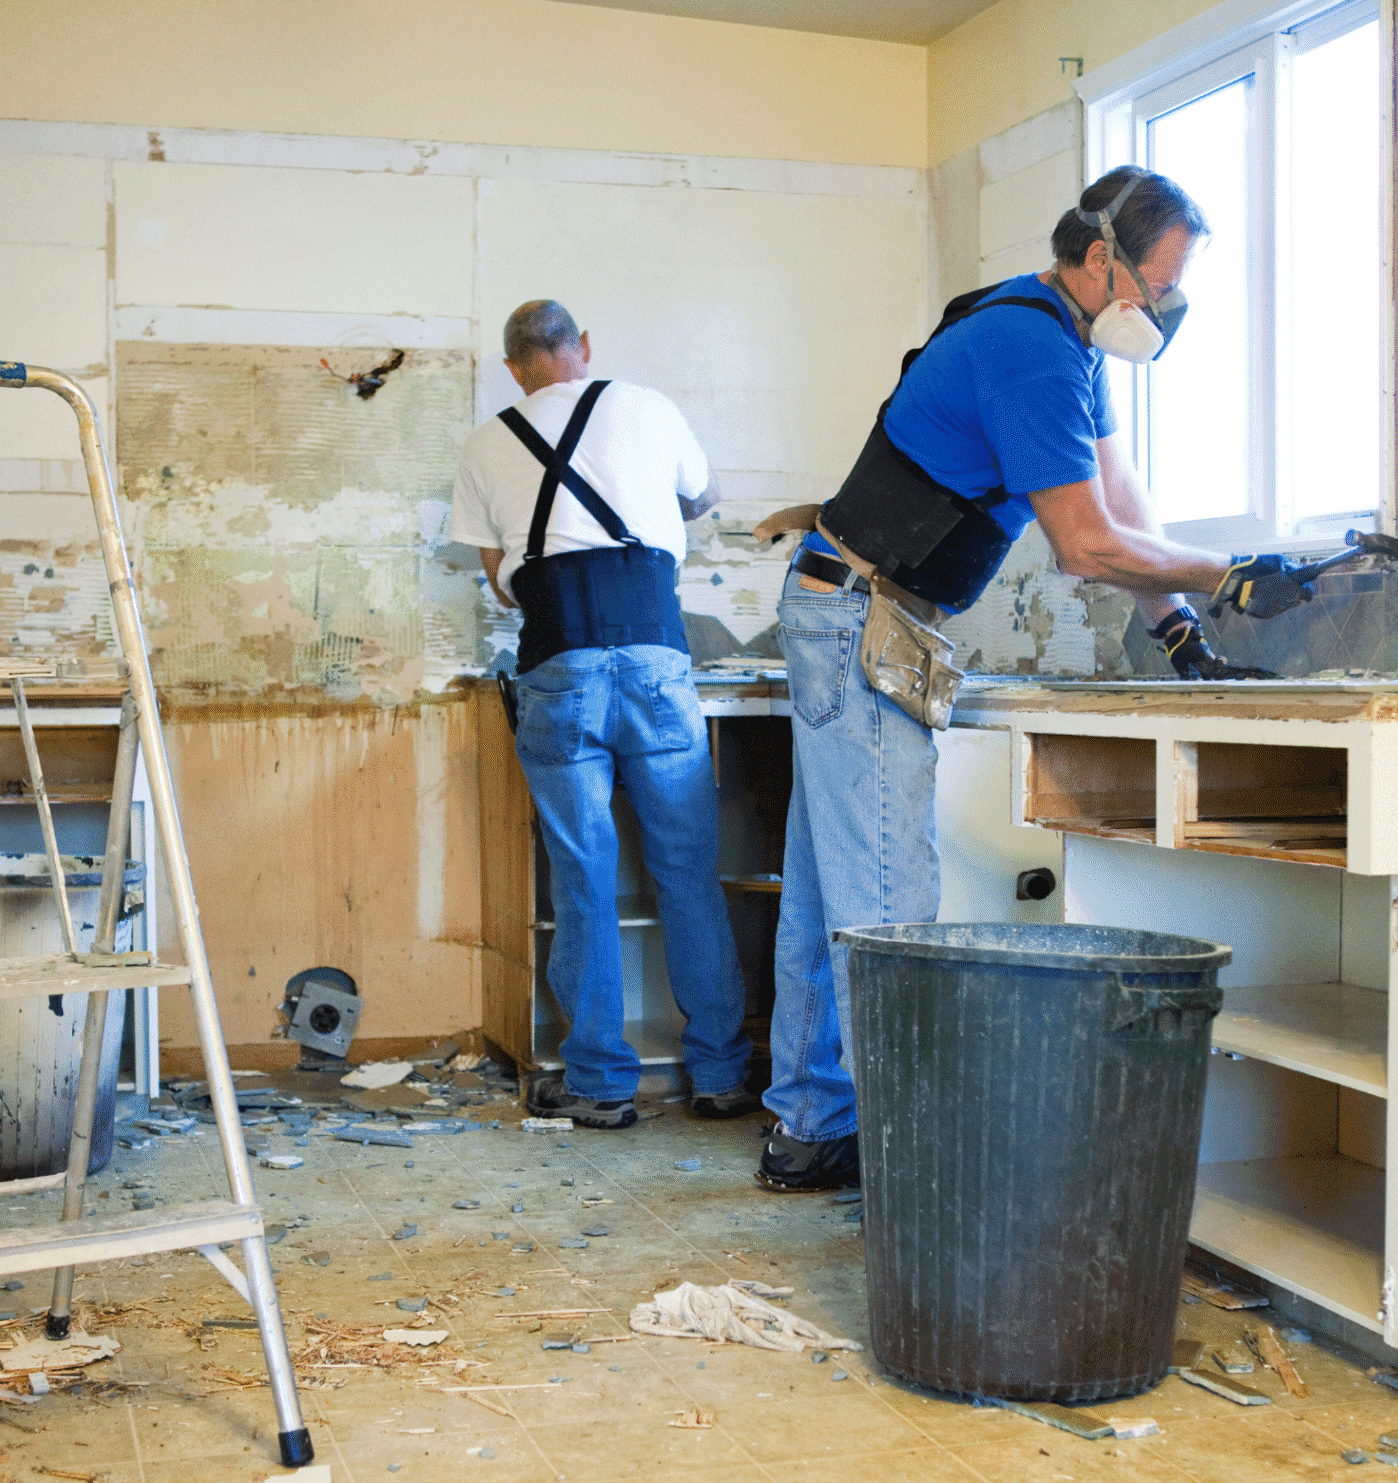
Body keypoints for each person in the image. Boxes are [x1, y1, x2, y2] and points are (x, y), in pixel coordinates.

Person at [751, 166, 1321, 1191]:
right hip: (861, 617)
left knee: (830, 890)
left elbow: (1123, 507)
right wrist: (1228, 571)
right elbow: (1085, 544)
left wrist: (1182, 632)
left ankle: (811, 1126)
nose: (1168, 308)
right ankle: (910, 1167)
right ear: (1101, 259)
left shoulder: (1065, 340)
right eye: (1161, 285)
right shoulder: (1030, 350)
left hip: (848, 607)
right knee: (887, 903)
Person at [451, 300, 755, 1130]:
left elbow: (501, 584)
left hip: (558, 663)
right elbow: (705, 497)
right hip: (656, 655)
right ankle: (721, 1074)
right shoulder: (647, 405)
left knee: (582, 878)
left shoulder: (484, 445)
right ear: (582, 346)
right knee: (687, 871)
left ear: (512, 368)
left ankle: (598, 1083)